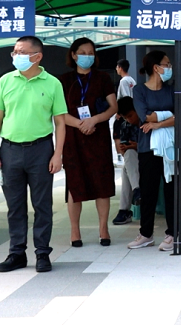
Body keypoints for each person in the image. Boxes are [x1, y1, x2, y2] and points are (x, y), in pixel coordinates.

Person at [0, 36, 67, 273]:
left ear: (37, 56)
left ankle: (42, 253)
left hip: (41, 150)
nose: (16, 56)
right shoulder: (5, 80)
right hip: (9, 150)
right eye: (14, 51)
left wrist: (58, 154)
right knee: (15, 206)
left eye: (21, 52)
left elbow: (60, 122)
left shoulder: (52, 83)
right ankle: (17, 253)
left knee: (42, 204)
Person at [59, 38, 118, 247]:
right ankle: (75, 231)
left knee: (102, 183)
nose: (87, 56)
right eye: (83, 52)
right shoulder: (64, 80)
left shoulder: (103, 78)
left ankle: (103, 229)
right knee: (75, 184)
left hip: (98, 136)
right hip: (73, 138)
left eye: (91, 53)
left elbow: (113, 107)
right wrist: (80, 124)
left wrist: (94, 120)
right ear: (73, 55)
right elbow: (58, 112)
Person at [127, 51, 177, 252]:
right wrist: (168, 117)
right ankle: (146, 234)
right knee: (148, 190)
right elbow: (144, 116)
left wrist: (158, 123)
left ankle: (172, 233)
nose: (169, 67)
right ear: (156, 68)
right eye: (167, 64)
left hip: (170, 146)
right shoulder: (140, 90)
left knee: (171, 190)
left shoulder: (171, 90)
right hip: (148, 147)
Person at [112, 96, 141, 225]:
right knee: (128, 157)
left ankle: (124, 210)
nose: (129, 119)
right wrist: (128, 148)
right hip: (135, 159)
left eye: (130, 116)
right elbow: (123, 150)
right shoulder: (125, 126)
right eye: (125, 117)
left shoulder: (147, 121)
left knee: (126, 169)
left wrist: (137, 146)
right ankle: (137, 190)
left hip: (150, 158)